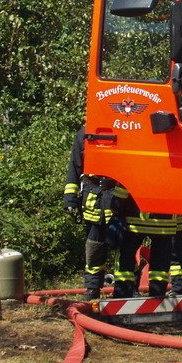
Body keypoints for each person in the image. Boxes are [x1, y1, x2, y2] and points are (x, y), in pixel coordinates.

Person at [64, 124, 130, 300]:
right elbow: (75, 166)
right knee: (94, 247)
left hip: (119, 199)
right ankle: (92, 288)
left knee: (124, 247)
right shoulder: (84, 133)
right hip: (94, 200)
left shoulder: (126, 129)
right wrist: (70, 198)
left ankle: (124, 290)